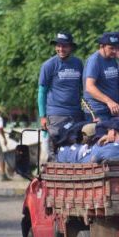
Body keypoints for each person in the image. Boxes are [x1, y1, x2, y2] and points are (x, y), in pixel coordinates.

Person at [38, 32, 84, 161]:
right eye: (58, 46)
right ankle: (53, 178)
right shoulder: (48, 65)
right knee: (54, 148)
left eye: (65, 46)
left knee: (75, 147)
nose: (61, 49)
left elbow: (83, 89)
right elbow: (41, 92)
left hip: (75, 113)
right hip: (56, 114)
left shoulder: (78, 63)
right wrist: (42, 116)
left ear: (71, 47)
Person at [83, 32, 119, 122]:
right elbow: (89, 87)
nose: (115, 51)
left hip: (112, 108)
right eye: (111, 48)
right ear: (102, 46)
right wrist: (109, 101)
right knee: (102, 135)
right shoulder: (95, 60)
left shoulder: (113, 59)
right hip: (97, 109)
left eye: (116, 48)